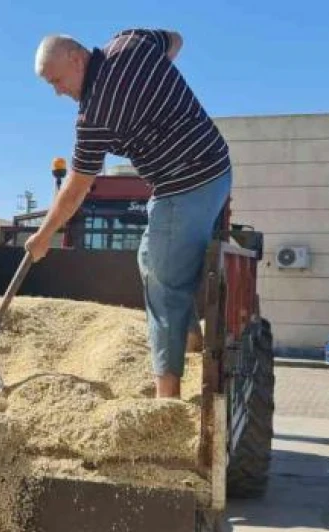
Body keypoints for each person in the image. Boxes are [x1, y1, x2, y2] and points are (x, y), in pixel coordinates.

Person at [27, 29, 232, 398]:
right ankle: (190, 336)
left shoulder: (93, 117)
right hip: (213, 165)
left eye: (56, 81)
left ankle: (165, 398)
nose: (57, 91)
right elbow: (177, 40)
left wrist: (43, 237)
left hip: (188, 184)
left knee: (164, 290)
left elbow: (75, 190)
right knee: (146, 258)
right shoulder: (132, 42)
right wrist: (154, 88)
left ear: (76, 59)